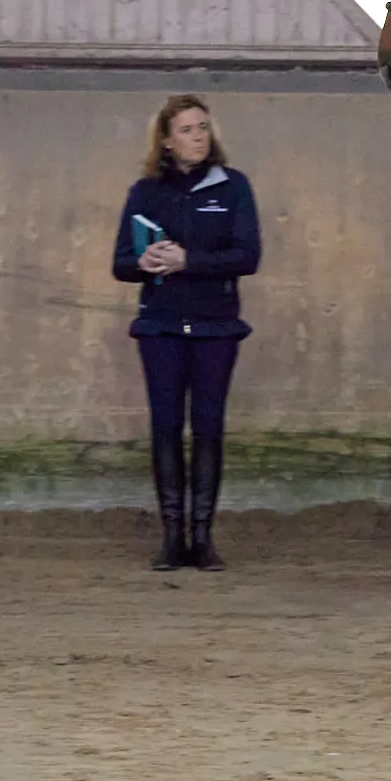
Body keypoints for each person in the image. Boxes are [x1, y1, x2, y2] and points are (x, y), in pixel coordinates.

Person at [111, 94, 262, 572]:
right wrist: (144, 261)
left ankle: (204, 538)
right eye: (188, 130)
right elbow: (120, 264)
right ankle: (172, 538)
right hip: (161, 325)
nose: (199, 137)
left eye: (203, 128)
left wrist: (188, 261)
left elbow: (248, 257)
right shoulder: (145, 192)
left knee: (210, 429)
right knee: (166, 429)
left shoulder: (233, 187)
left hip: (217, 326)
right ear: (167, 141)